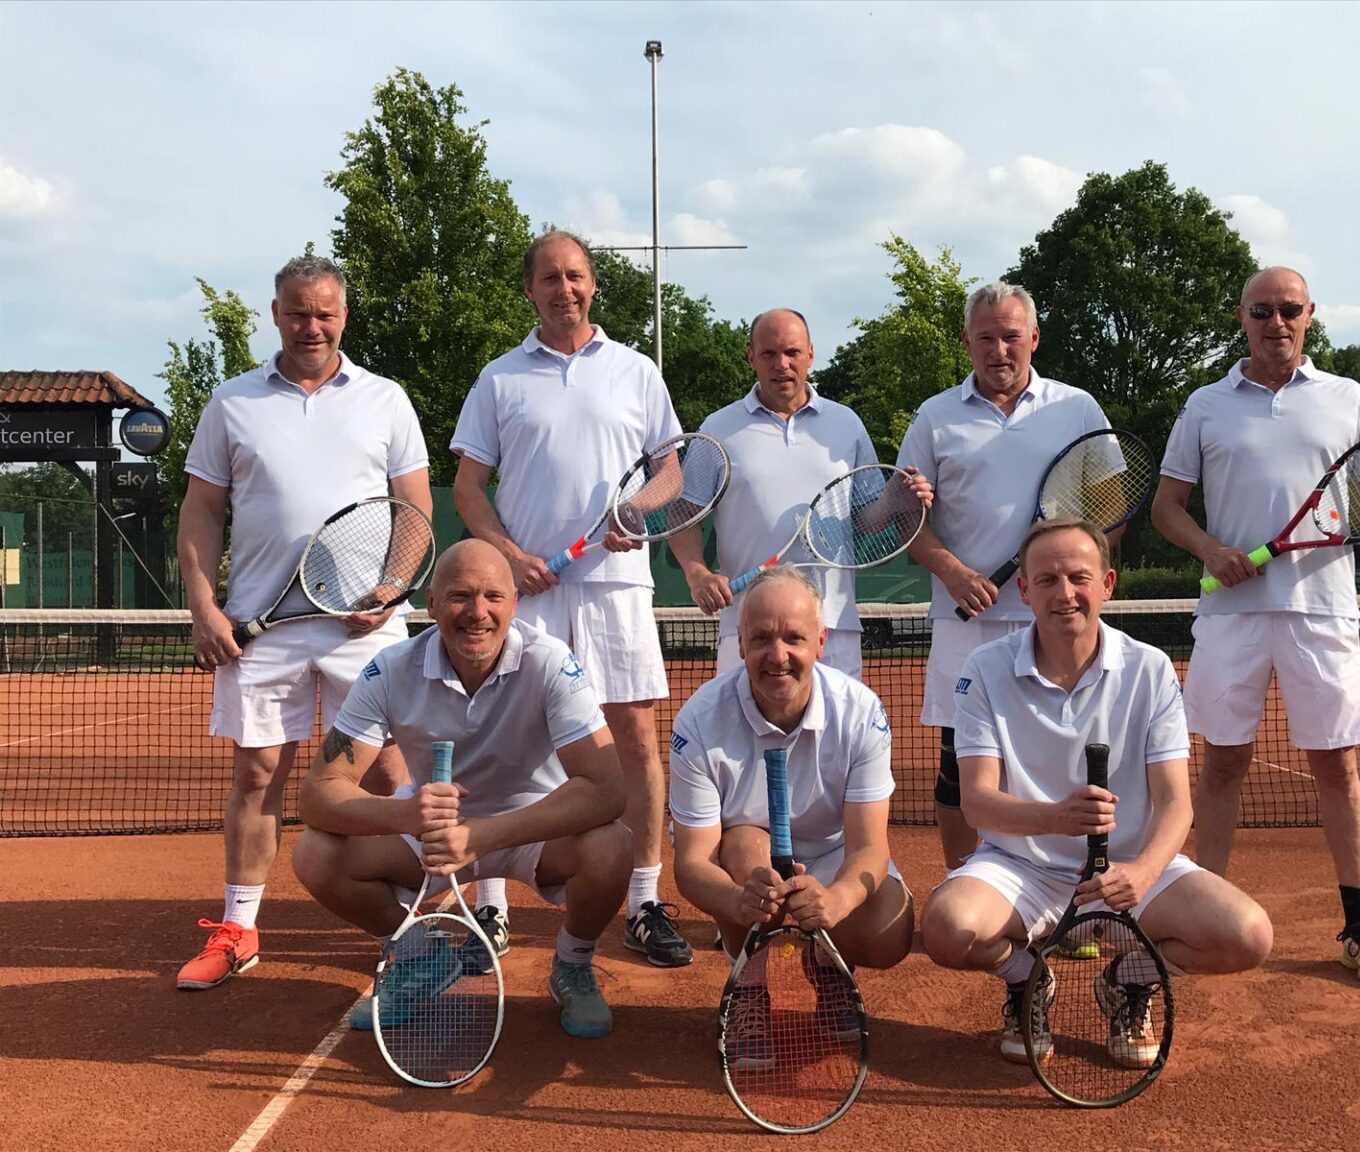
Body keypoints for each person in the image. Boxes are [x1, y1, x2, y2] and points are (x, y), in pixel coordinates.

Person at [1150, 267, 1360, 988]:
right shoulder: (1205, 405)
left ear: (1309, 316)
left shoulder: (1348, 398)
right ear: (1241, 317)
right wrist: (1210, 549)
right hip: (1230, 614)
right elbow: (1166, 507)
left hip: (1322, 609)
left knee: (1337, 766)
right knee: (1223, 764)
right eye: (1262, 311)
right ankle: (1199, 908)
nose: (1276, 323)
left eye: (1289, 310)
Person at [921, 520, 1272, 1065]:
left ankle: (1128, 980)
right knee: (947, 927)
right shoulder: (984, 669)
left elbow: (1177, 802)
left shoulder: (1151, 669)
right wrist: (1057, 817)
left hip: (1127, 867)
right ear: (1025, 591)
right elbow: (976, 801)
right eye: (1048, 580)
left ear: (1107, 584)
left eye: (1078, 577)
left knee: (1247, 936)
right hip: (1022, 870)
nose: (1065, 594)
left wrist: (1144, 873)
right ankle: (1026, 978)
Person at [175, 254, 430, 991]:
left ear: (343, 315)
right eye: (297, 312)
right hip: (260, 625)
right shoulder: (232, 403)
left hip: (367, 626)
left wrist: (392, 585)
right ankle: (239, 928)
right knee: (257, 774)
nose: (310, 325)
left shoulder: (385, 398)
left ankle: (407, 922)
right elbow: (200, 511)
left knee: (387, 771)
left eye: (324, 313)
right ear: (276, 312)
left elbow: (411, 509)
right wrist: (203, 606)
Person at [451, 229, 691, 968]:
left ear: (592, 286)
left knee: (636, 742)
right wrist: (512, 558)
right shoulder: (499, 379)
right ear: (530, 290)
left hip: (617, 588)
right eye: (551, 278)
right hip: (526, 597)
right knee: (500, 743)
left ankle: (645, 900)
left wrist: (635, 511)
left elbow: (672, 475)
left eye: (577, 276)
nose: (566, 288)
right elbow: (468, 488)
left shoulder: (636, 371)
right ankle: (488, 908)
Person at [293, 539, 632, 1038]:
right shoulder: (388, 670)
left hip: (532, 833)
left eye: (494, 597)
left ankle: (572, 965)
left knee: (612, 845)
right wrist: (406, 817)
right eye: (460, 596)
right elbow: (318, 794)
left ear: (515, 603)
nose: (478, 613)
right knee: (314, 854)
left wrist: (482, 835)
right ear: (430, 604)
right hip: (431, 834)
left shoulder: (551, 662)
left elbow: (607, 790)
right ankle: (419, 957)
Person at [897, 283, 1112, 870]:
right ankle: (963, 883)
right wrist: (953, 571)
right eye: (986, 338)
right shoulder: (935, 416)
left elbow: (1111, 512)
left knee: (1060, 761)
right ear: (968, 342)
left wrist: (1069, 582)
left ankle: (1069, 891)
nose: (1000, 349)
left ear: (1033, 338)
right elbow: (905, 519)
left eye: (1012, 336)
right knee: (958, 764)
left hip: (1060, 619)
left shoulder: (1079, 409)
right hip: (965, 624)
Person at [669, 566, 914, 1061]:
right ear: (739, 644)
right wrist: (738, 902)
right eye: (760, 638)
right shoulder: (697, 720)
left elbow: (869, 845)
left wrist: (838, 901)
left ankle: (828, 963)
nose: (777, 656)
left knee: (891, 932)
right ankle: (750, 988)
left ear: (821, 642)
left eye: (794, 638)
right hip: (748, 869)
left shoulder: (861, 711)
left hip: (833, 860)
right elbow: (692, 864)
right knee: (741, 844)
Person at [670, 308, 931, 678]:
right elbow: (685, 511)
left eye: (792, 353)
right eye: (769, 354)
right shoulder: (718, 428)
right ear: (751, 357)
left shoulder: (847, 424)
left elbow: (866, 521)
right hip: (747, 627)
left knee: (837, 735)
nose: (782, 364)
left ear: (810, 354)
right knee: (742, 735)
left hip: (832, 624)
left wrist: (896, 498)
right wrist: (697, 573)